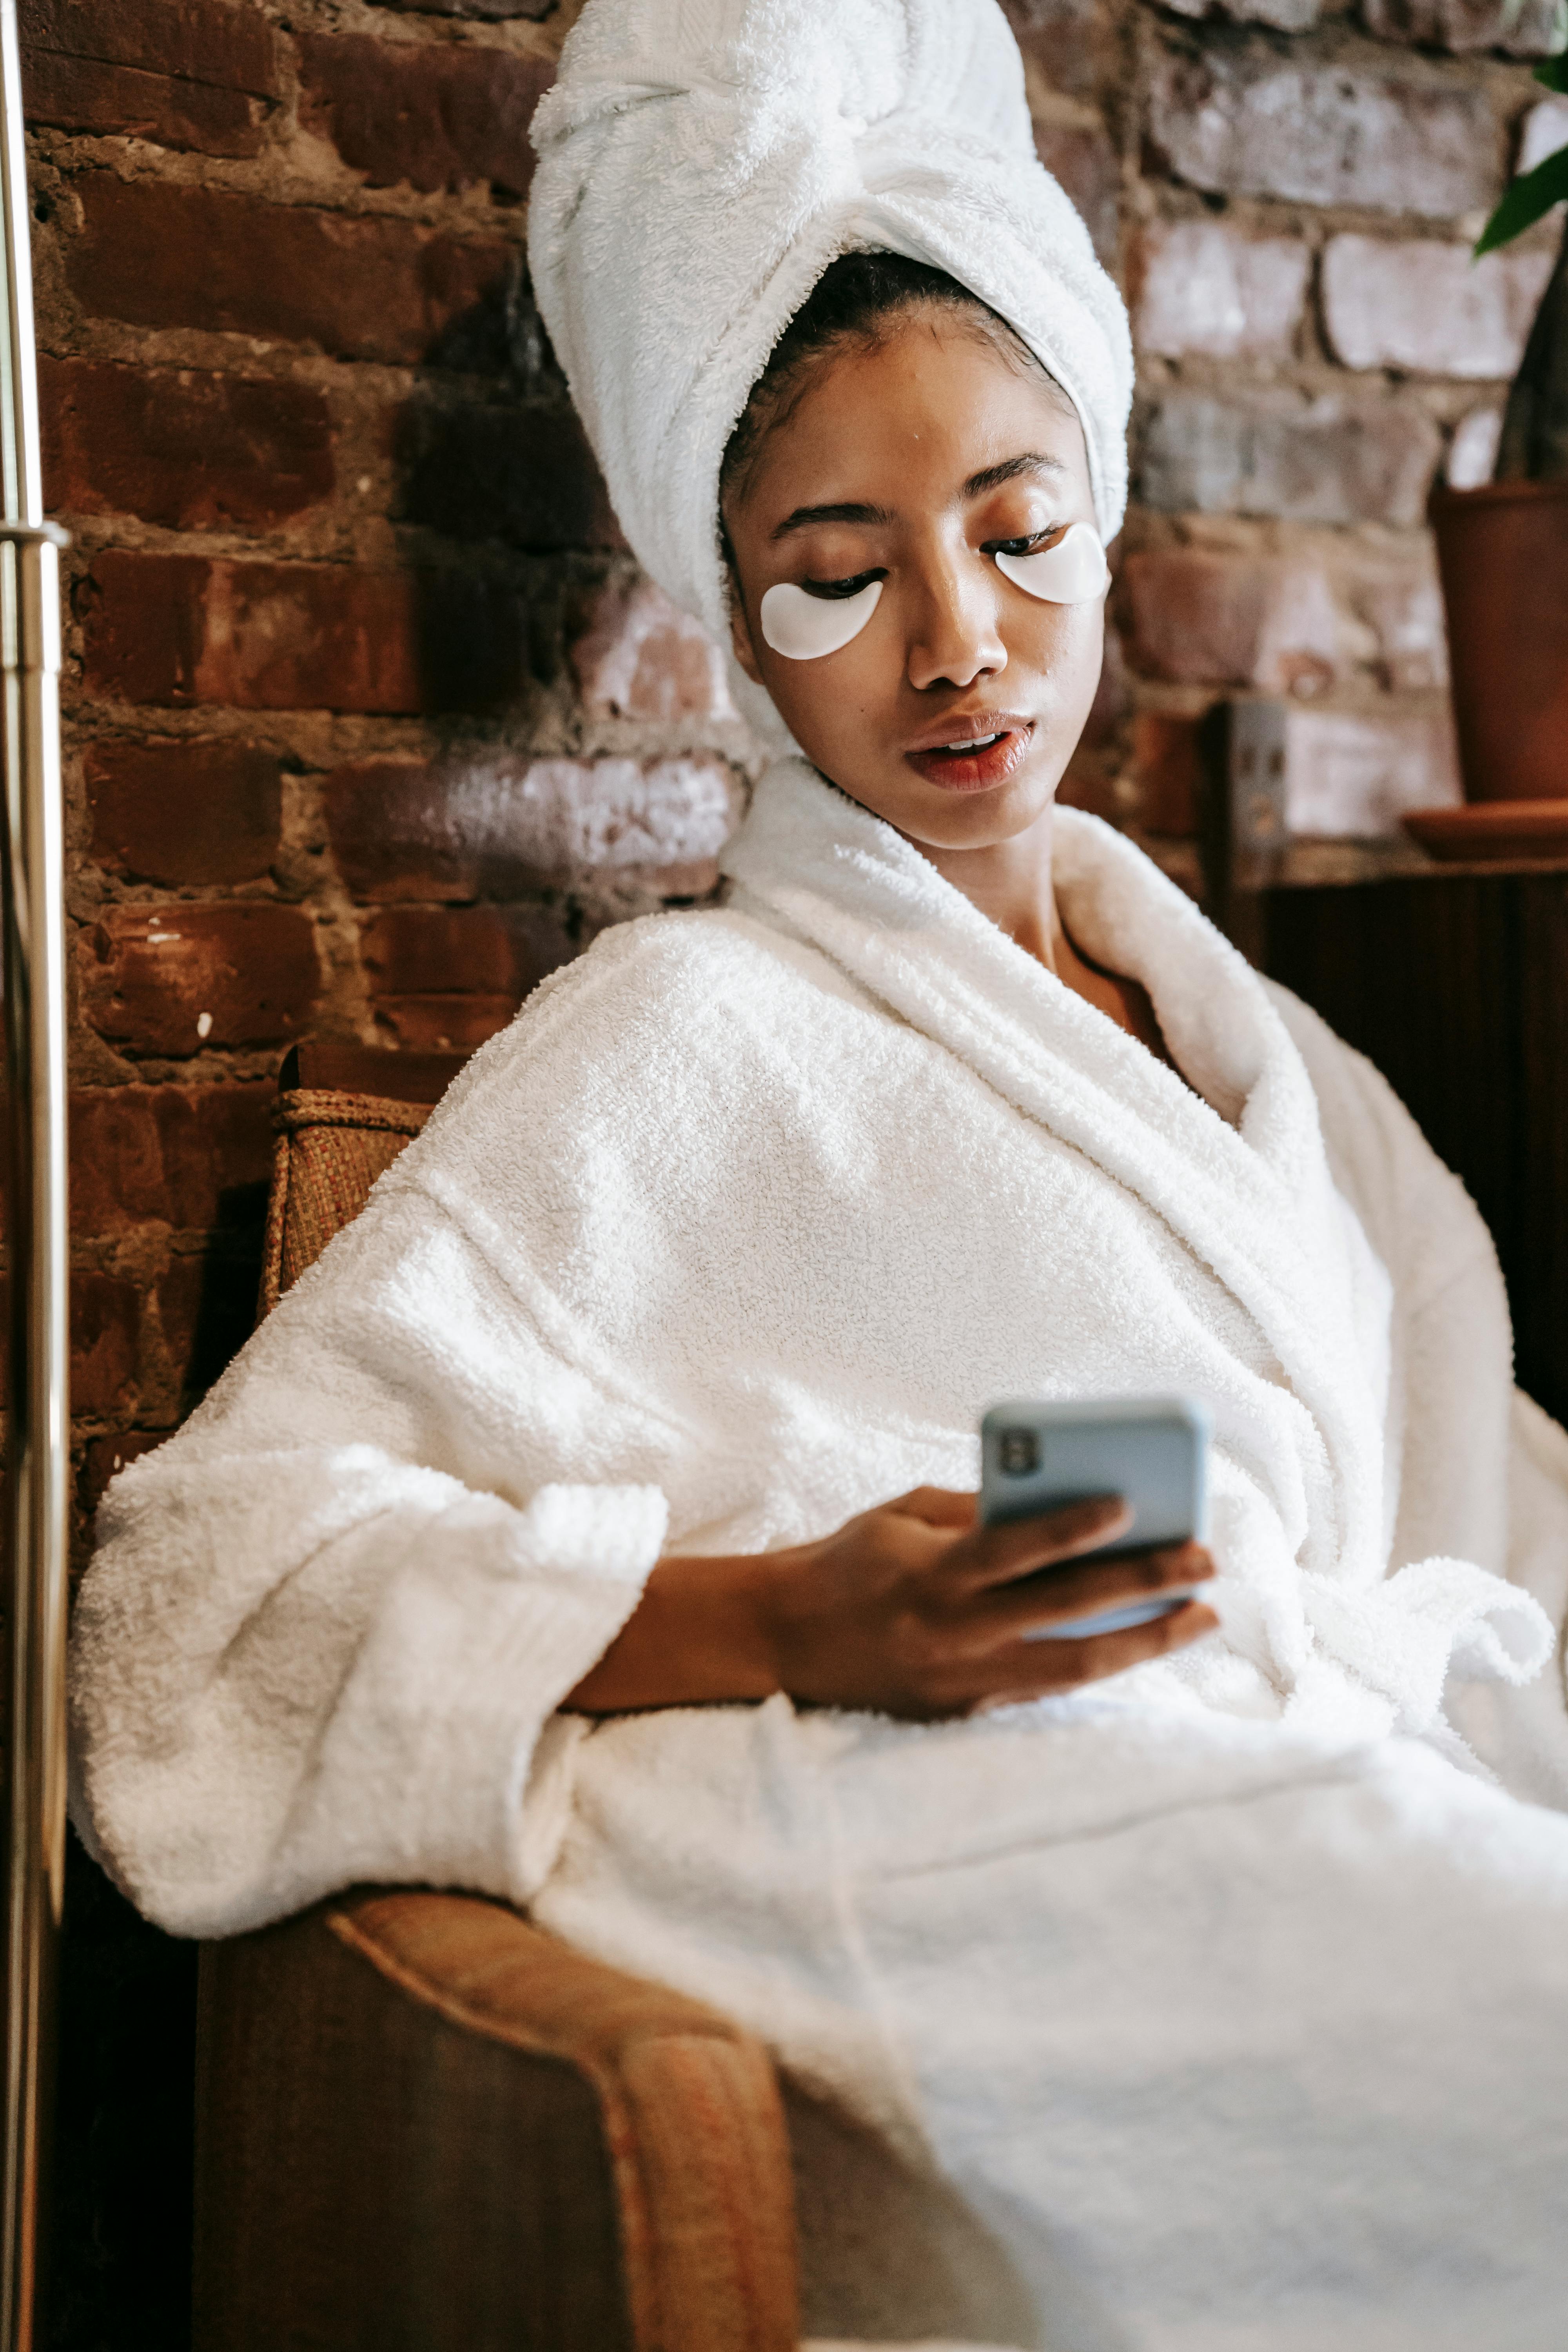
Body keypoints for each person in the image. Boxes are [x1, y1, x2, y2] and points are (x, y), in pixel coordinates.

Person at [69, 2, 1568, 2344]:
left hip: (1314, 1784)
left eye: (1018, 528)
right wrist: (794, 1618)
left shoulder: (1273, 1066)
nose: (959, 645)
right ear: (732, 608)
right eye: (835, 567)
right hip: (981, 1851)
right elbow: (206, 1601)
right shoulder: (683, 1039)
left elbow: (1492, 1507)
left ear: (1108, 507)